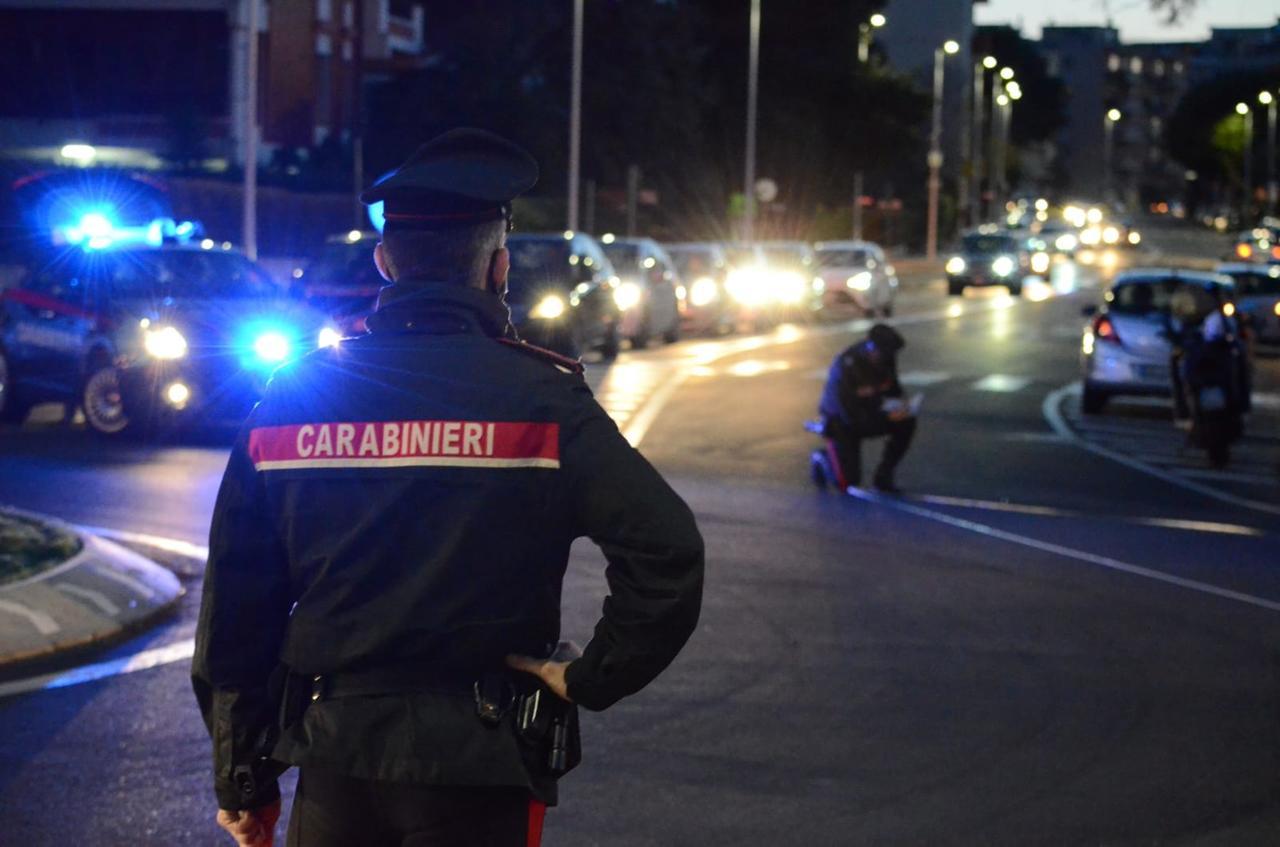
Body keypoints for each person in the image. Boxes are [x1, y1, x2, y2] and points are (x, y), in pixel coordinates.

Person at [192, 128, 705, 847]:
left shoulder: (294, 396)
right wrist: (590, 674)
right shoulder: (544, 400)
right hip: (481, 762)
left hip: (333, 757)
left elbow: (236, 610)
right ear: (498, 268)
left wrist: (243, 776)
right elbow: (667, 552)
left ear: (383, 262)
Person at [817, 323, 915, 494]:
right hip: (841, 420)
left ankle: (883, 476)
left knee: (906, 423)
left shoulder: (885, 358)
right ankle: (822, 459)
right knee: (848, 483)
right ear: (872, 348)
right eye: (884, 354)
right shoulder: (848, 364)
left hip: (870, 413)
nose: (888, 358)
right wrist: (886, 418)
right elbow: (848, 412)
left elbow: (893, 388)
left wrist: (901, 407)